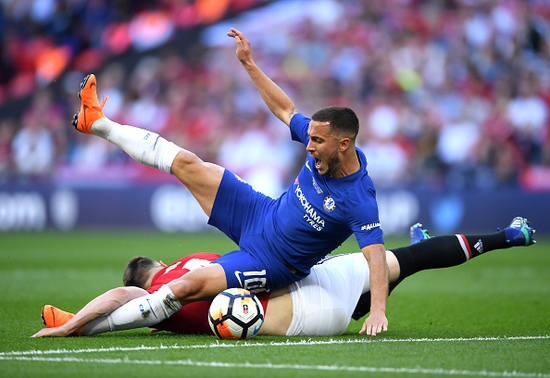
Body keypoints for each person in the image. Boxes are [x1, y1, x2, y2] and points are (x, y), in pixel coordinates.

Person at [67, 28, 388, 336]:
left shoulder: (359, 198)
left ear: (343, 145)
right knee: (188, 163)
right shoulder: (320, 141)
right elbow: (285, 109)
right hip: (259, 213)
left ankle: (81, 325)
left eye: (317, 141)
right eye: (310, 137)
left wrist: (377, 311)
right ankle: (98, 123)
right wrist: (249, 63)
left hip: (270, 262)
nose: (308, 145)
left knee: (184, 288)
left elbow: (376, 257)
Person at [32, 217, 535, 338]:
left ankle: (414, 257)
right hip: (303, 285)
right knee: (402, 260)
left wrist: (71, 322)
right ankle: (507, 236)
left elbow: (122, 302)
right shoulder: (200, 258)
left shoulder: (160, 301)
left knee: (386, 274)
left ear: (147, 283)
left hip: (304, 315)